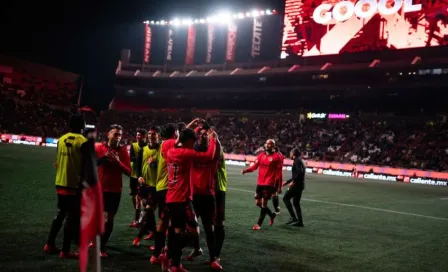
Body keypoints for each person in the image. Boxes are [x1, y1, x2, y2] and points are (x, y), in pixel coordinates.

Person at [164, 128, 218, 272]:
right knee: (191, 230)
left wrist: (194, 129)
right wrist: (214, 138)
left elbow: (180, 140)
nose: (194, 144)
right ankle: (170, 255)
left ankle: (174, 264)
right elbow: (208, 156)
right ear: (189, 141)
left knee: (177, 231)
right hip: (182, 199)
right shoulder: (186, 153)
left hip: (171, 197)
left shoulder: (170, 151)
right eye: (193, 141)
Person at [44, 114, 88, 258]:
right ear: (82, 126)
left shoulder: (61, 139)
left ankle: (49, 244)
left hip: (60, 181)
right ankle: (66, 250)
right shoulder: (83, 141)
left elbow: (57, 161)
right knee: (72, 217)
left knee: (61, 213)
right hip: (74, 184)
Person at [184, 123, 223, 270]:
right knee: (190, 229)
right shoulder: (192, 154)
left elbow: (217, 146)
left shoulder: (212, 155)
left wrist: (214, 137)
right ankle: (196, 249)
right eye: (199, 135)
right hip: (193, 197)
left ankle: (213, 258)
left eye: (205, 134)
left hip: (208, 197)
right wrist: (197, 129)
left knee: (209, 229)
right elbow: (188, 140)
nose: (202, 136)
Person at [95, 124, 131, 256]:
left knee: (108, 219)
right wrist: (102, 159)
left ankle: (101, 247)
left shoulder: (123, 151)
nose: (118, 137)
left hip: (115, 190)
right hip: (99, 188)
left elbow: (128, 171)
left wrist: (117, 162)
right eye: (115, 134)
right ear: (108, 134)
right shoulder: (99, 148)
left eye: (120, 135)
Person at [150, 123, 178, 266]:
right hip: (168, 189)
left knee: (163, 222)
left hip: (161, 188)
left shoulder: (163, 144)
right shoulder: (171, 144)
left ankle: (157, 254)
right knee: (172, 224)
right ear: (174, 134)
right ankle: (167, 255)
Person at [242, 139, 283, 230]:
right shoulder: (261, 155)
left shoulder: (277, 157)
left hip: (269, 184)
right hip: (260, 183)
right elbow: (254, 167)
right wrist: (246, 170)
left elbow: (279, 173)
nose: (267, 145)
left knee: (264, 204)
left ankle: (258, 224)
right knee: (258, 203)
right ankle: (271, 214)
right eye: (266, 143)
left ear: (273, 146)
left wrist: (279, 186)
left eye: (269, 144)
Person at [133, 126, 160, 246]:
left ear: (158, 136)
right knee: (148, 212)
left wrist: (153, 163)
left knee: (149, 209)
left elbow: (162, 167)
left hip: (156, 186)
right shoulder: (142, 150)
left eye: (153, 134)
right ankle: (154, 232)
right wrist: (139, 176)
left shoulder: (161, 150)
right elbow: (138, 166)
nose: (151, 136)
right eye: (149, 134)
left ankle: (138, 236)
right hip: (144, 185)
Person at [129, 128, 148, 228]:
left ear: (144, 136)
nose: (138, 137)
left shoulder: (147, 147)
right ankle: (139, 217)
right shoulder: (133, 145)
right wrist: (140, 158)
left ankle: (141, 219)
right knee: (134, 197)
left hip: (143, 175)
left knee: (141, 199)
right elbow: (131, 157)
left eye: (140, 135)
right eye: (137, 135)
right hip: (133, 175)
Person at [282, 148, 306, 227]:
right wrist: (288, 181)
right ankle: (300, 222)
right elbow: (298, 173)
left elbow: (300, 172)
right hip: (300, 185)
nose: (290, 154)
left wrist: (293, 182)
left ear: (294, 154)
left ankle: (293, 218)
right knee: (296, 203)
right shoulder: (299, 160)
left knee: (285, 198)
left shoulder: (297, 161)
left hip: (297, 185)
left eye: (291, 153)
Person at [272, 146, 284, 215]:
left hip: (275, 177)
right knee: (275, 194)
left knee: (273, 194)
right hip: (277, 176)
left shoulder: (277, 157)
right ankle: (277, 208)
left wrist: (280, 186)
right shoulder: (280, 155)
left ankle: (277, 210)